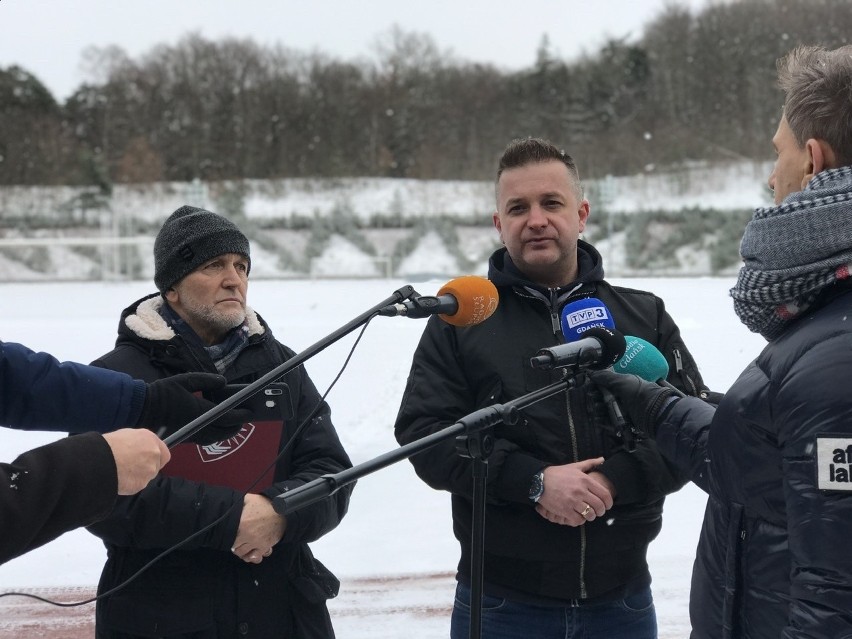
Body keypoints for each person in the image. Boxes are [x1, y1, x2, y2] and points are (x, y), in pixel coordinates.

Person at [393, 137, 709, 638]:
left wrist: (612, 481)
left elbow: (693, 429)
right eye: (518, 208)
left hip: (622, 601)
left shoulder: (643, 314)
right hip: (500, 604)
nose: (535, 219)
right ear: (500, 225)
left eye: (551, 203)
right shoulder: (459, 320)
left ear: (581, 214)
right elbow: (425, 435)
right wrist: (532, 480)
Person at [589, 44, 852, 638]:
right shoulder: (827, 324)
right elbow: (765, 472)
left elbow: (838, 596)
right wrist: (654, 400)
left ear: (812, 161)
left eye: (777, 152)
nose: (771, 174)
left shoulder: (837, 357)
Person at [87, 205, 353, 638]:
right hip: (160, 615)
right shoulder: (118, 378)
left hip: (281, 611)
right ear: (172, 287)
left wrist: (278, 513)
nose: (235, 279)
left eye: (241, 266)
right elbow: (101, 496)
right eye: (214, 265)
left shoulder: (282, 366)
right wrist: (233, 520)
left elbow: (331, 471)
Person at [1, 339, 245, 564]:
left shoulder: (275, 356)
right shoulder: (122, 363)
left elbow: (12, 378)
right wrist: (99, 466)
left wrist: (144, 403)